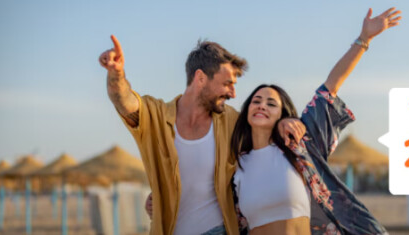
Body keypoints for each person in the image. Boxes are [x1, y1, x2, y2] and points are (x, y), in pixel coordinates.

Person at [99, 36, 306, 234]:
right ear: (200, 78)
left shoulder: (232, 121)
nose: (233, 93)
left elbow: (264, 126)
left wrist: (285, 121)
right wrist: (116, 75)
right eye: (227, 83)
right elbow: (124, 101)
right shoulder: (155, 117)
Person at [229, 7, 401, 235]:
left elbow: (331, 86)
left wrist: (364, 39)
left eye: (271, 104)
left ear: (282, 115)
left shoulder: (300, 144)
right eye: (256, 101)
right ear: (247, 110)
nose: (262, 105)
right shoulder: (235, 163)